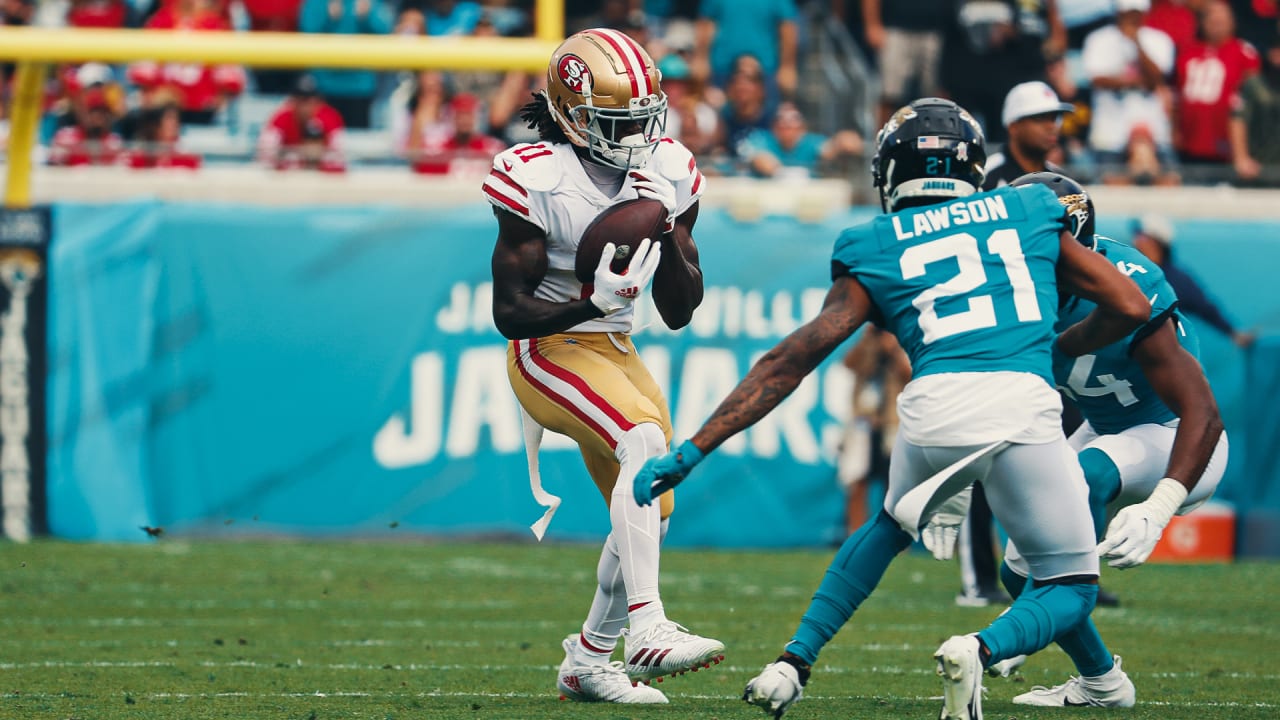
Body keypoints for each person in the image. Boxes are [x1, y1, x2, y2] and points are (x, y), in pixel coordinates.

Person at [633, 97, 1152, 720]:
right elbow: (1129, 306)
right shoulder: (1030, 208)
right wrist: (1050, 347)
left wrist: (693, 450)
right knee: (1070, 586)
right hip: (1018, 399)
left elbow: (791, 359)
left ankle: (790, 664)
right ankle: (978, 649)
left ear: (892, 171)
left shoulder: (873, 242)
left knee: (886, 527)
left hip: (931, 405)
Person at [484, 28, 723, 705]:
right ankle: (647, 626)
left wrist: (669, 225)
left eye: (642, 120)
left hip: (615, 348)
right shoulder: (537, 177)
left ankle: (589, 659)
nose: (633, 137)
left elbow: (680, 309)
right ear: (569, 113)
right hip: (547, 349)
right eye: (614, 123)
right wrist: (587, 301)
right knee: (642, 442)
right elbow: (511, 313)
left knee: (655, 500)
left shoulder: (668, 170)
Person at [986, 172, 1229, 706]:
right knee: (1016, 570)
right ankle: (1101, 682)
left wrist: (1160, 507)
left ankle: (1036, 618)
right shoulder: (1013, 291)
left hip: (1176, 438)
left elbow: (1203, 414)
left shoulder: (1128, 282)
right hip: (1104, 428)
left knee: (1084, 477)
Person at [1082, 0, 1180, 185]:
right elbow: (1097, 79)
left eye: (1136, 12)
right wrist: (1135, 81)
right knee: (1112, 184)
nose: (1132, 17)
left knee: (1169, 182)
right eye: (1128, 12)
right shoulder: (1098, 39)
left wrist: (1136, 42)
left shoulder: (1159, 39)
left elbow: (1156, 78)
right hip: (1110, 132)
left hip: (1154, 130)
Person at [1130, 214, 1257, 347]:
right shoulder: (1128, 272)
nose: (1136, 241)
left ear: (1157, 241)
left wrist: (1233, 333)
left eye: (1142, 236)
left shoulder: (1178, 279)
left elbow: (1205, 308)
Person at [836, 325, 909, 535]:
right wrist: (868, 339)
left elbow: (910, 375)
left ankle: (893, 538)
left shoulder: (902, 342)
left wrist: (893, 349)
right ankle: (855, 535)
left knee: (894, 485)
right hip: (863, 424)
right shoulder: (867, 345)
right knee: (857, 483)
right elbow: (848, 363)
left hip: (893, 423)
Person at [1174, 1, 1260, 175]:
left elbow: (1253, 97)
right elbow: (1175, 94)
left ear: (1233, 22)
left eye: (1222, 17)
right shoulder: (1187, 50)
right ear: (1202, 22)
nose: (1216, 21)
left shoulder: (1244, 52)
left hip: (1226, 141)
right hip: (1189, 138)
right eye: (1211, 17)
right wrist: (1174, 129)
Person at [982, 81, 1074, 188]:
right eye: (1040, 118)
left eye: (1054, 118)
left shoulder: (1062, 179)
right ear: (1013, 127)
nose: (1052, 126)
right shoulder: (986, 177)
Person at [740, 102, 863, 179]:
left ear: (802, 128)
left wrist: (843, 141)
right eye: (781, 119)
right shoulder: (762, 139)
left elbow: (830, 148)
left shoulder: (810, 142)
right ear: (773, 126)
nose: (786, 124)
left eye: (793, 119)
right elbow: (758, 157)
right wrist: (780, 172)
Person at [256, 75, 347, 172]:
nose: (305, 106)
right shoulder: (281, 119)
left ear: (318, 101)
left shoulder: (330, 117)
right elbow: (265, 158)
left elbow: (339, 158)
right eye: (301, 100)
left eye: (310, 100)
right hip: (288, 179)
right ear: (292, 101)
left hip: (322, 177)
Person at [1230, 23, 1280, 185]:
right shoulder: (1254, 84)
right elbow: (1237, 119)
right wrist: (1241, 157)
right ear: (1273, 54)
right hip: (1259, 169)